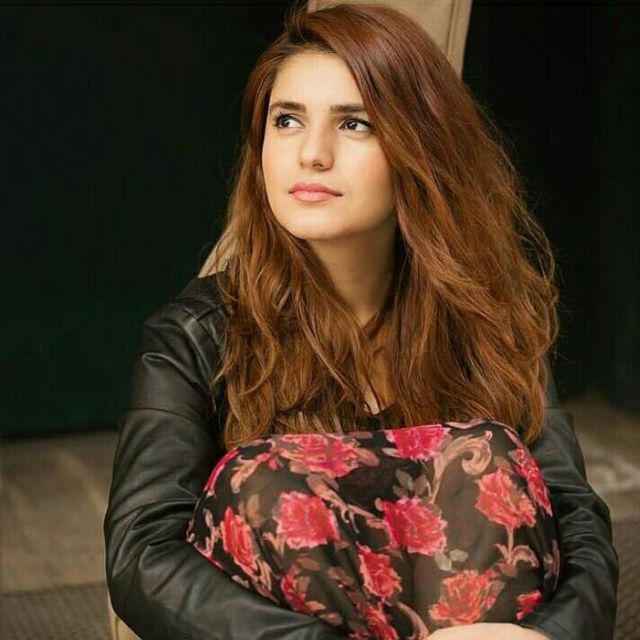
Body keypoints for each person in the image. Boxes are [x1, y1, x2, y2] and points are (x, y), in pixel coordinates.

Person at [103, 3, 618, 640]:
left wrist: (546, 636)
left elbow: (574, 518)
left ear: (420, 146)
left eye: (354, 123)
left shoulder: (485, 317)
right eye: (287, 120)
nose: (312, 154)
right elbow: (141, 553)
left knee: (488, 462)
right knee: (262, 483)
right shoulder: (193, 333)